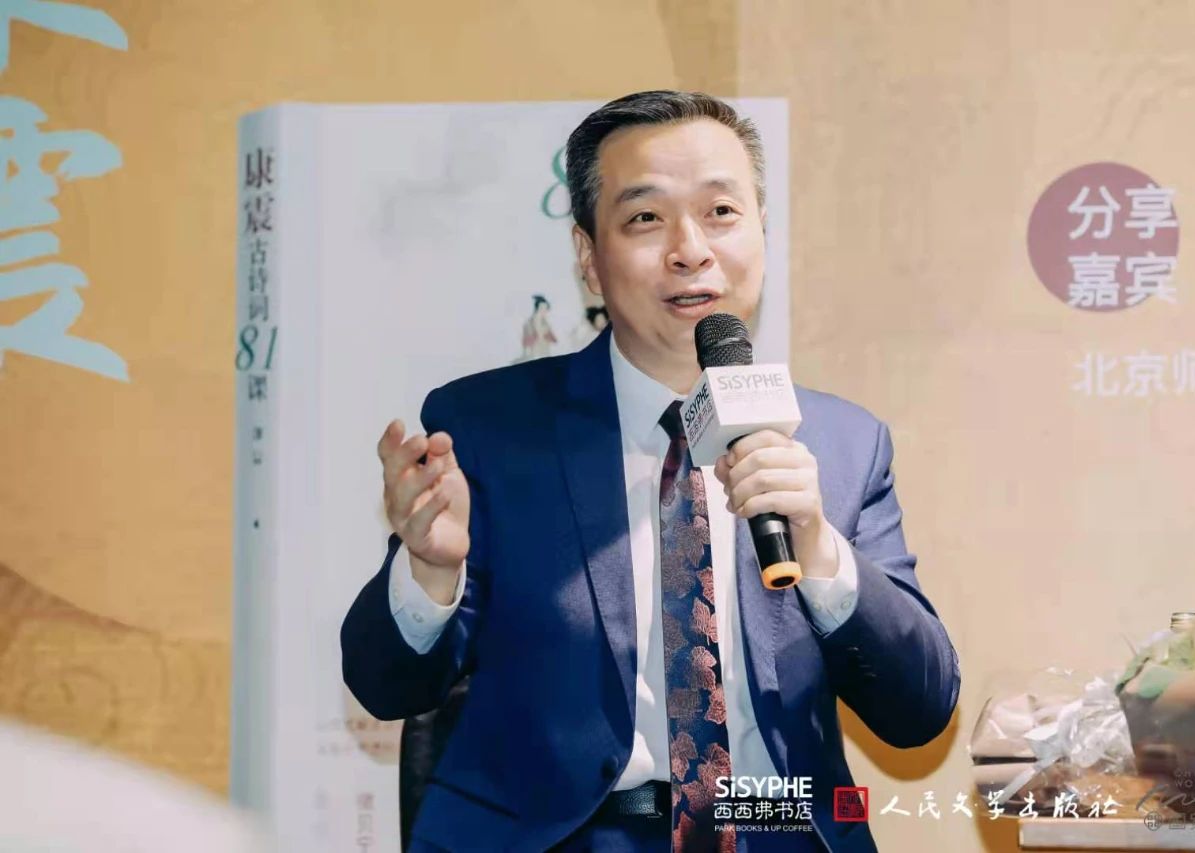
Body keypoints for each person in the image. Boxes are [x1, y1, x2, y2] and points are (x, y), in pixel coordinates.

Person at [342, 90, 960, 853]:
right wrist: (432, 571)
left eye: (721, 212)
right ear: (588, 257)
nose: (690, 249)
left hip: (771, 828)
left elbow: (920, 710)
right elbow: (386, 685)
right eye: (645, 217)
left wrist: (820, 547)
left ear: (762, 230)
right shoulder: (491, 429)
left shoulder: (843, 442)